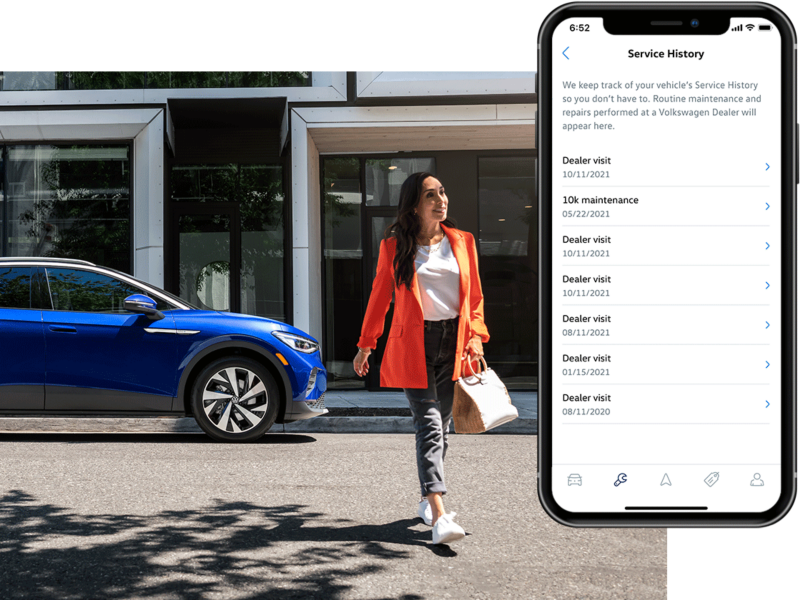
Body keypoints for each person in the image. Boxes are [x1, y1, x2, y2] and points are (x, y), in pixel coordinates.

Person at [353, 172, 489, 545]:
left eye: (443, 192)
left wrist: (475, 340)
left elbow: (474, 299)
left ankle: (428, 499)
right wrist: (367, 345)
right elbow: (380, 297)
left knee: (442, 427)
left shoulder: (463, 242)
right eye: (431, 195)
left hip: (454, 342)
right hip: (415, 344)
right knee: (429, 425)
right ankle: (440, 514)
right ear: (415, 205)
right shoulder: (394, 247)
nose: (441, 200)